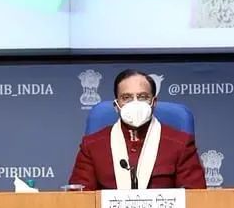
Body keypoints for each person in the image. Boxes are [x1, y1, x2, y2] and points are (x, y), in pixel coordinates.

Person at [68, 69, 206, 190]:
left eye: (143, 97)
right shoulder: (92, 146)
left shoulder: (181, 144)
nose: (135, 103)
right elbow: (79, 199)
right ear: (116, 106)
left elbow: (195, 198)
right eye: (126, 98)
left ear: (154, 102)